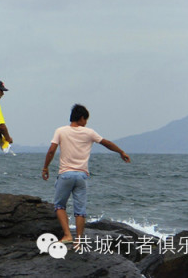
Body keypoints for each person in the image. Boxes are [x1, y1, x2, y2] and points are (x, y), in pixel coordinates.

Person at [42, 104, 131, 244]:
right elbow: (106, 143)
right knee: (80, 209)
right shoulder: (89, 133)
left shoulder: (60, 131)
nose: (86, 123)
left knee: (59, 206)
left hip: (65, 174)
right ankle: (78, 239)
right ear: (81, 118)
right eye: (86, 119)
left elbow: (51, 150)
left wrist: (45, 168)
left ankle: (67, 235)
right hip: (81, 176)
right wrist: (121, 152)